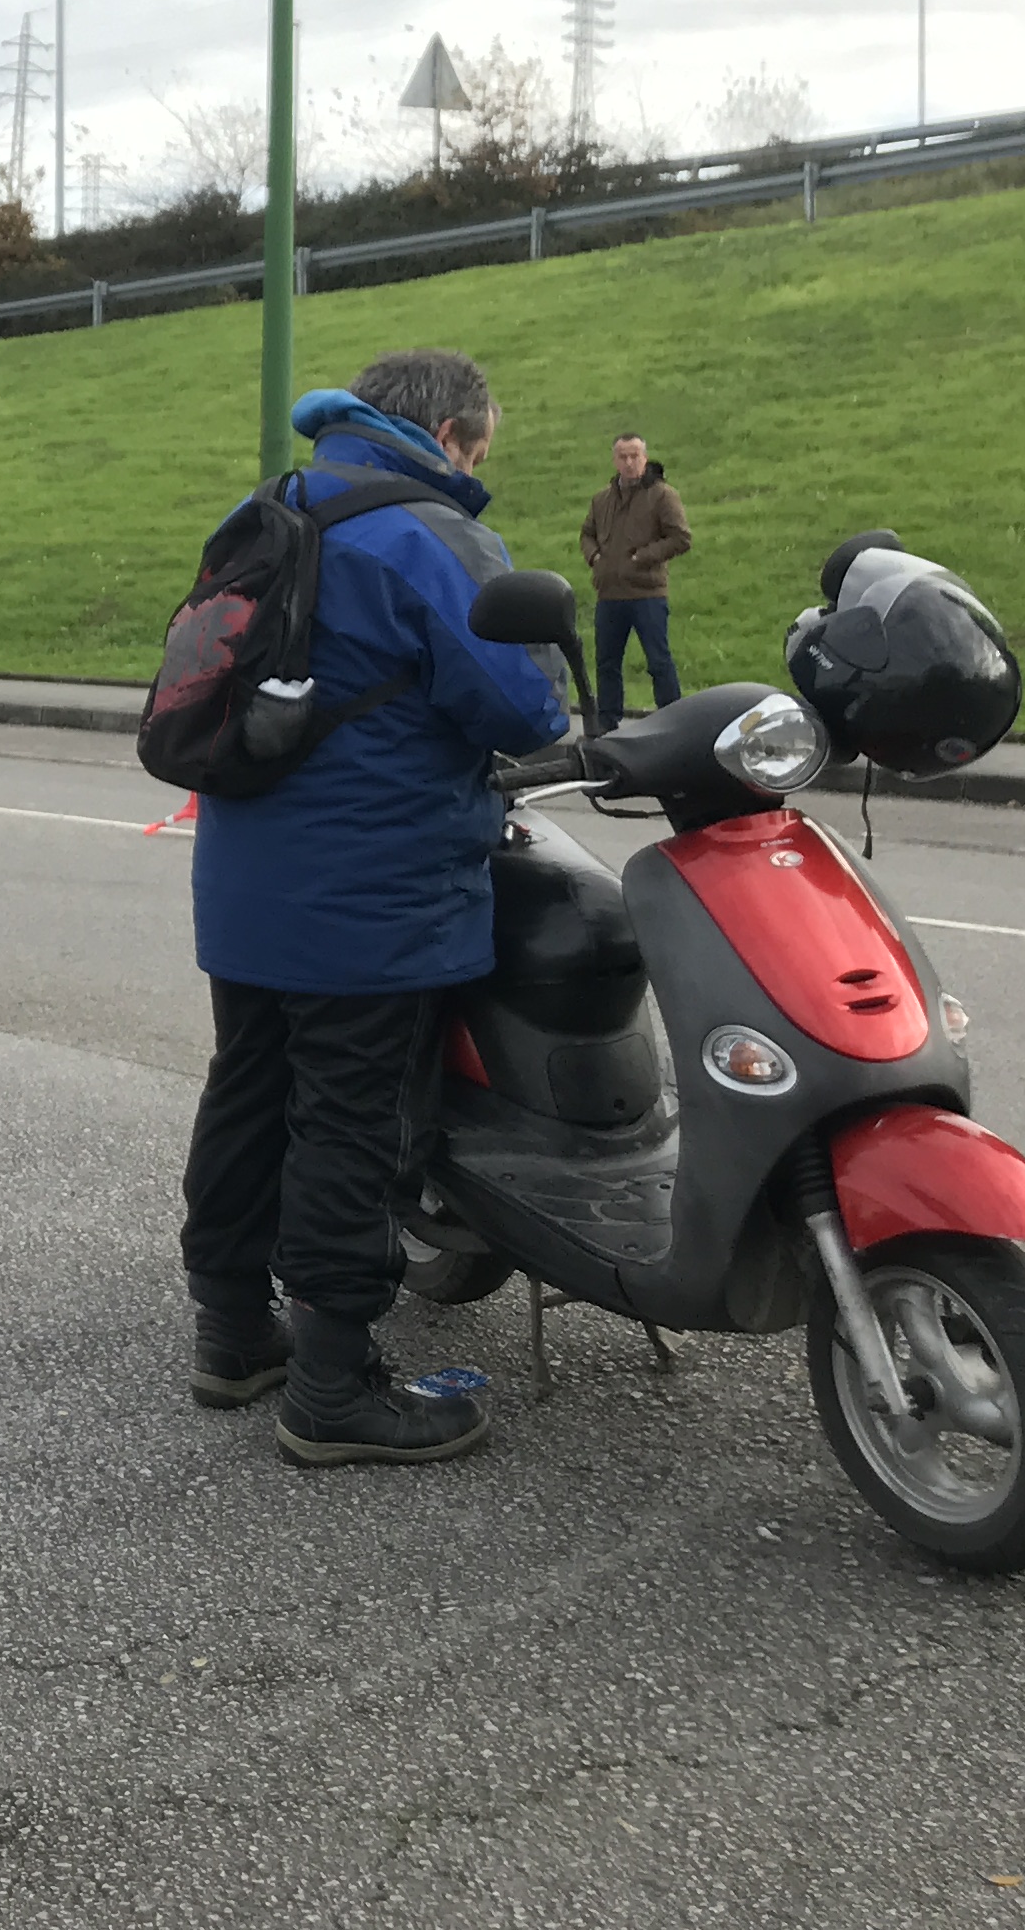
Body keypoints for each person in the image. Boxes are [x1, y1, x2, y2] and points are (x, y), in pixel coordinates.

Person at [180, 350, 572, 1467]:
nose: (477, 469)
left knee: (248, 1093)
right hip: (373, 890)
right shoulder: (428, 533)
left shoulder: (269, 508)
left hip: (246, 877)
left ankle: (232, 1335)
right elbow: (521, 704)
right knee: (350, 1122)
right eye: (479, 451)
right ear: (449, 433)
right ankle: (335, 1386)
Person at [577, 430, 691, 722]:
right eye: (623, 456)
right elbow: (587, 534)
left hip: (647, 594)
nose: (629, 462)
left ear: (645, 457)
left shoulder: (663, 495)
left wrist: (643, 557)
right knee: (607, 664)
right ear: (615, 460)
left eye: (635, 456)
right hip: (609, 594)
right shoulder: (601, 499)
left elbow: (680, 538)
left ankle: (673, 720)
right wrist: (595, 558)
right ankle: (608, 725)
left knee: (658, 661)